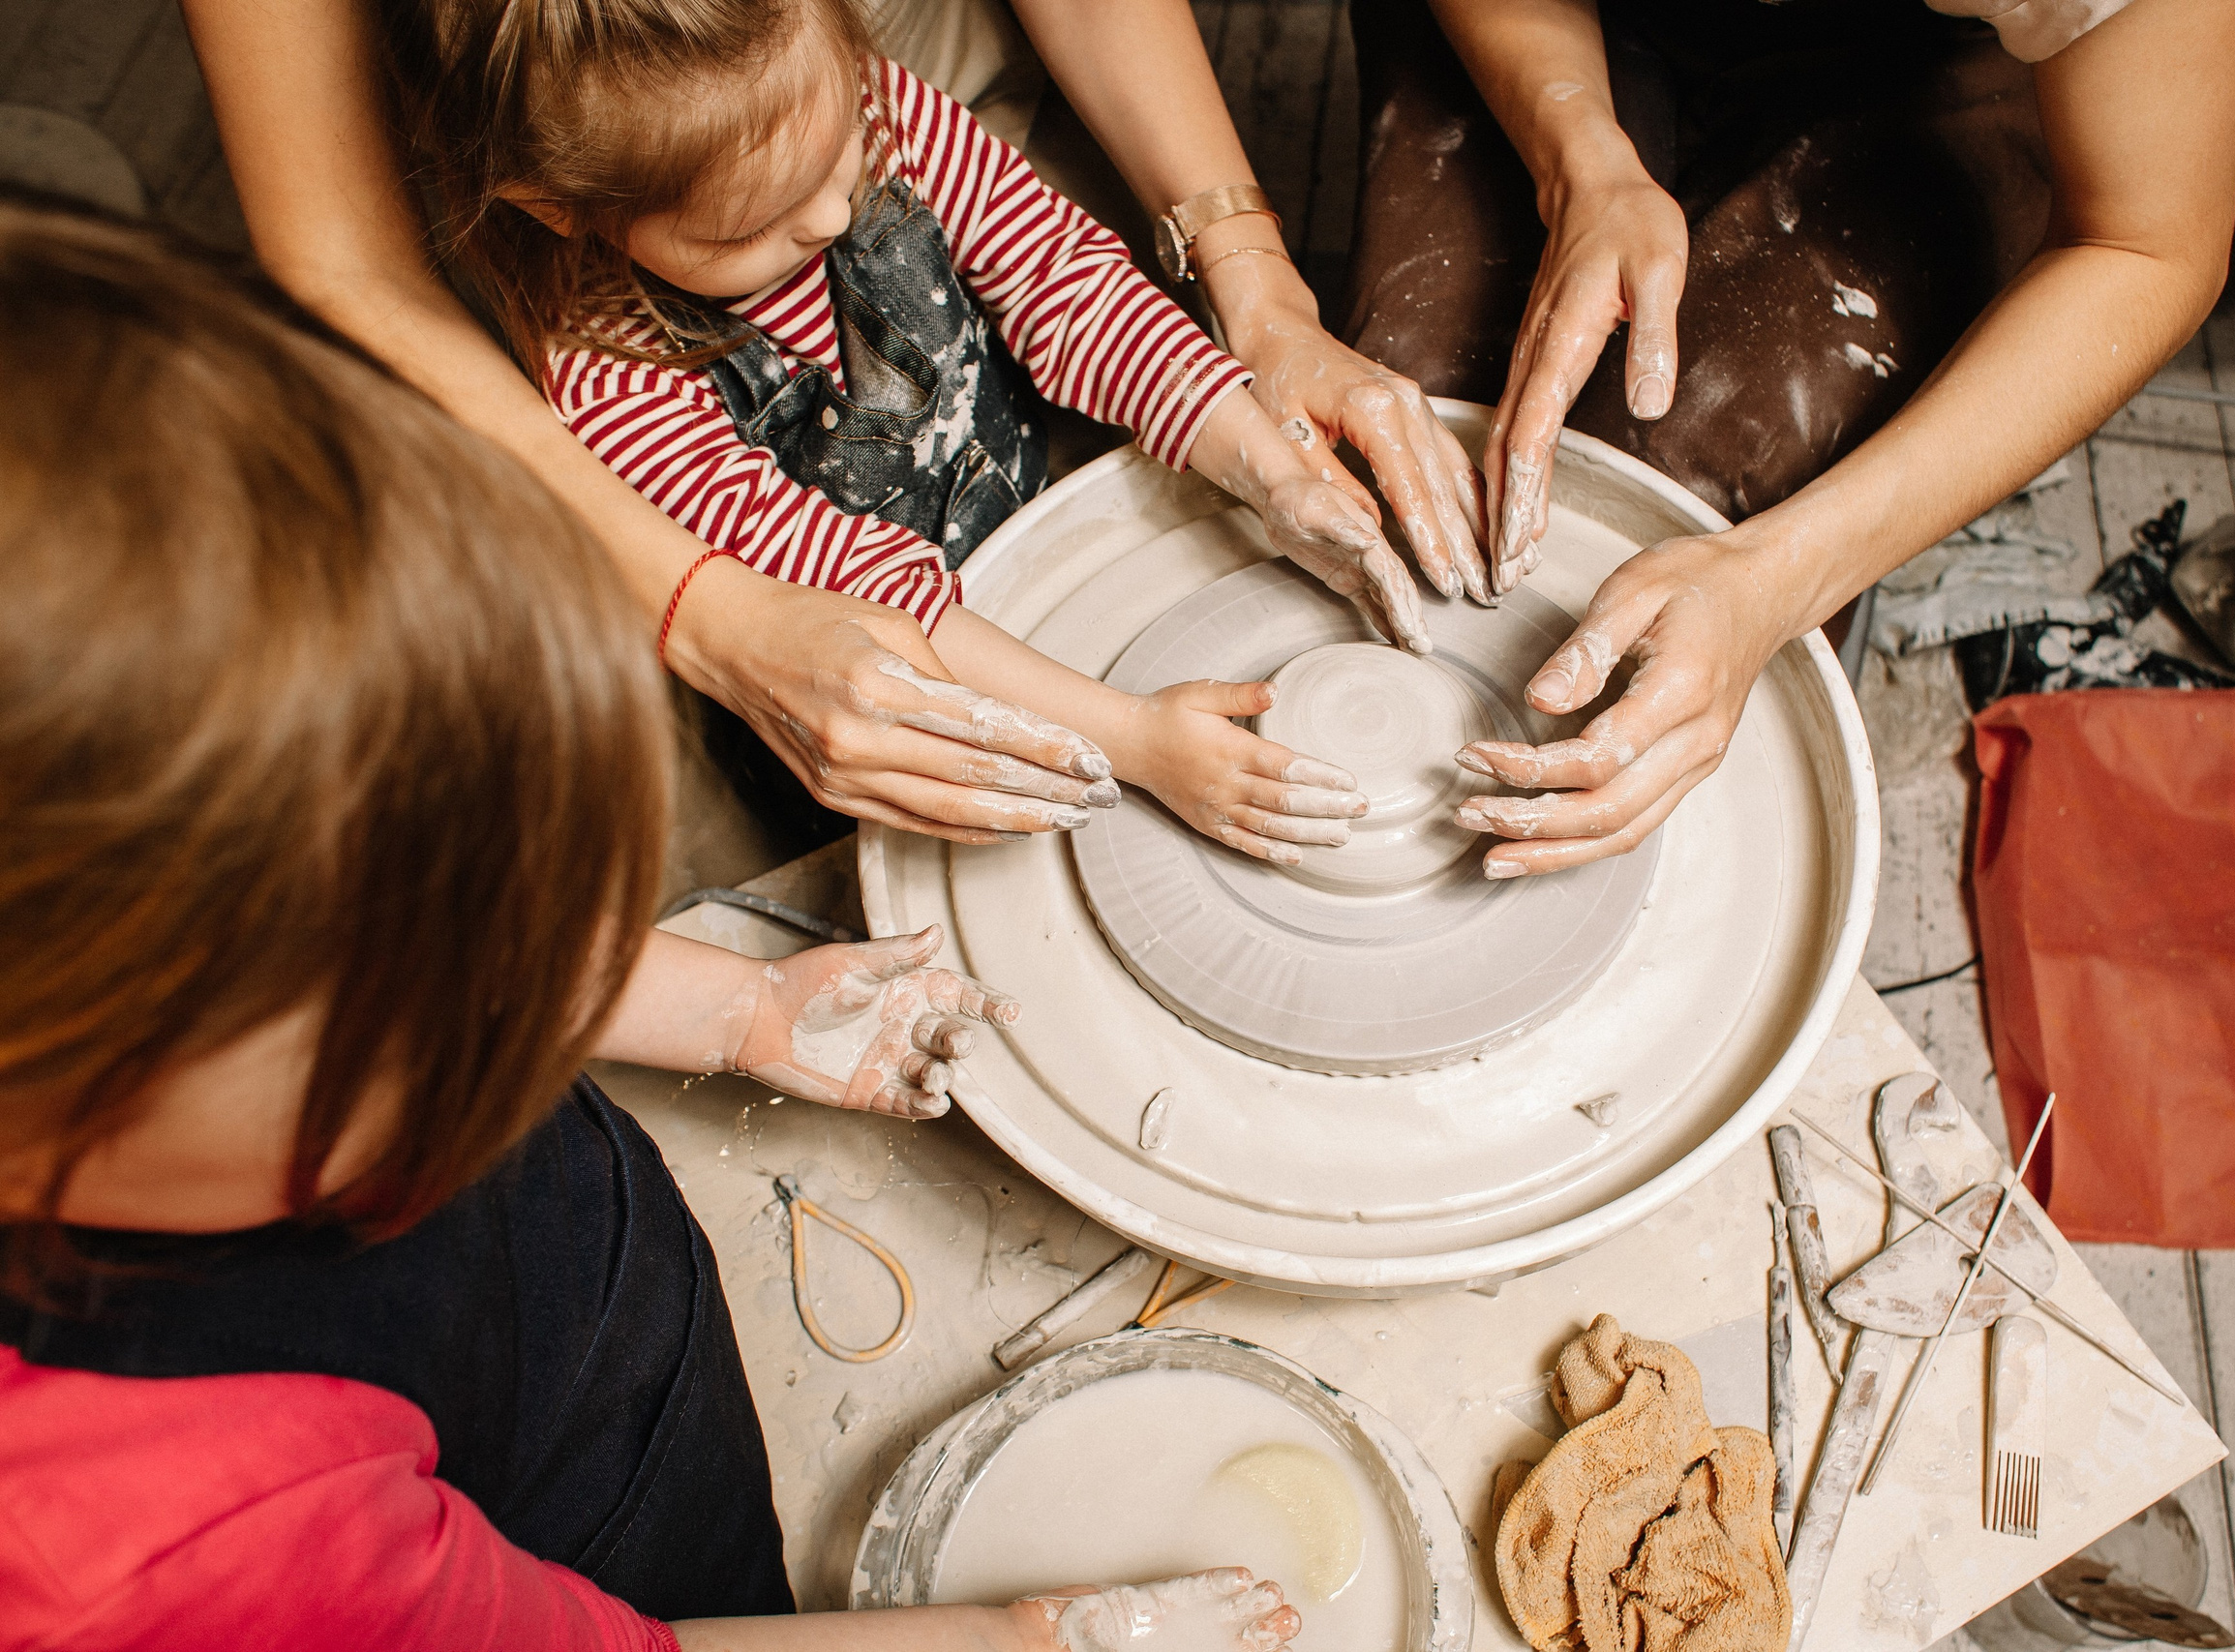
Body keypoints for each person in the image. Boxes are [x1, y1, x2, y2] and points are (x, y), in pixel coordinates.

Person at [0, 195, 1303, 1652]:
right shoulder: (165, 1541)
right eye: (408, 1000)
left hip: (558, 1302)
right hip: (511, 1519)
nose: (486, 1003)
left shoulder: (197, 1025)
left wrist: (740, 1012)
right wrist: (1034, 1634)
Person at [178, 0, 1483, 853]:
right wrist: (1133, 739)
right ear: (562, 207)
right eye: (750, 229)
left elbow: (1064, 286)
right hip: (880, 654)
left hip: (1006, 508)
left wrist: (1252, 446)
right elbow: (865, 601)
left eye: (844, 159)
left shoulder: (864, 115)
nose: (831, 219)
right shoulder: (612, 385)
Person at [1336, 0, 2235, 879]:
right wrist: (1579, 160)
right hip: (1555, 20)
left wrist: (1780, 574)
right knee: (1409, 458)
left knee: (1685, 522)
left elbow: (2149, 245)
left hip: (1929, 52)